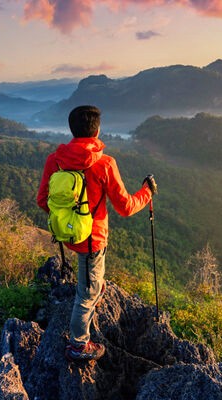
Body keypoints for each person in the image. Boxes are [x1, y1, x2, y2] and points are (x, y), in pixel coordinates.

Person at [37, 105, 157, 362]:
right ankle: (78, 345)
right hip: (93, 240)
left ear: (72, 129)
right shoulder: (104, 164)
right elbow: (125, 207)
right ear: (97, 130)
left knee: (91, 279)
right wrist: (146, 193)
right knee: (85, 294)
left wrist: (68, 219)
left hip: (69, 235)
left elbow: (42, 200)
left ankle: (96, 287)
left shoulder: (55, 160)